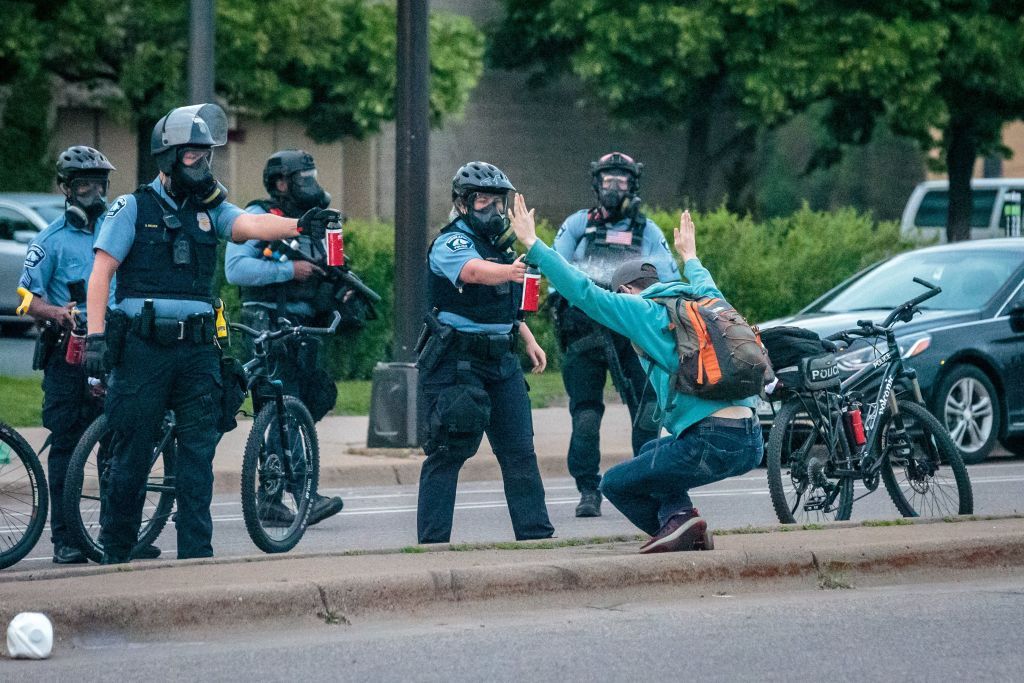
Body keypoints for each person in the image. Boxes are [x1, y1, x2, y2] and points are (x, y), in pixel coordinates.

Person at [84, 104, 341, 563]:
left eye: (207, 156)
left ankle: (196, 559)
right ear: (167, 156)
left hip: (198, 352)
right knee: (131, 456)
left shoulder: (211, 211)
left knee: (197, 460)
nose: (203, 165)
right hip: (143, 349)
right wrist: (97, 339)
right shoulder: (132, 207)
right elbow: (101, 272)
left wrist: (301, 224)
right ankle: (116, 555)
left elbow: (249, 224)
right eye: (192, 156)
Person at [509, 195, 762, 553]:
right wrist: (689, 256)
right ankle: (681, 517)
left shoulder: (643, 311)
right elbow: (705, 280)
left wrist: (535, 245)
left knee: (615, 483)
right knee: (649, 450)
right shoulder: (704, 302)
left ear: (627, 290)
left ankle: (677, 531)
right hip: (751, 441)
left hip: (710, 440)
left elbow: (584, 293)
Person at [17, 145, 161, 563]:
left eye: (99, 186)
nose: (93, 196)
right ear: (65, 189)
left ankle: (121, 536)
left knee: (122, 444)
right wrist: (56, 312)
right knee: (67, 444)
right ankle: (66, 540)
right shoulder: (50, 241)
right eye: (83, 187)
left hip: (119, 349)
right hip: (70, 356)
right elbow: (26, 299)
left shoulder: (122, 233)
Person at [415, 162, 554, 544]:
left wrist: (526, 336)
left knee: (519, 451)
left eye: (498, 202)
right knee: (448, 452)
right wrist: (511, 272)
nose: (491, 210)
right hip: (457, 362)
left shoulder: (501, 247)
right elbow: (473, 273)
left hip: (501, 359)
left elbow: (500, 305)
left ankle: (536, 537)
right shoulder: (452, 242)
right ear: (462, 203)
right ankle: (432, 545)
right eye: (482, 201)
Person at [551, 152, 679, 518]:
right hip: (585, 335)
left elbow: (668, 278)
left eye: (621, 181)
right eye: (608, 180)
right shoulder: (577, 224)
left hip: (633, 332)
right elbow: (555, 269)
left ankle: (646, 480)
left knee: (648, 411)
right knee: (586, 417)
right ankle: (588, 490)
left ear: (633, 185)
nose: (614, 188)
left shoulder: (648, 230)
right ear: (597, 184)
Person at [224, 149, 345, 527]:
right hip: (268, 325)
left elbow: (329, 270)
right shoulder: (257, 216)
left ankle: (275, 498)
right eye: (302, 178)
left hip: (303, 329)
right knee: (279, 410)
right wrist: (289, 270)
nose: (311, 185)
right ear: (280, 183)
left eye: (313, 176)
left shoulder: (313, 223)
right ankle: (294, 495)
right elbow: (236, 269)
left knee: (303, 404)